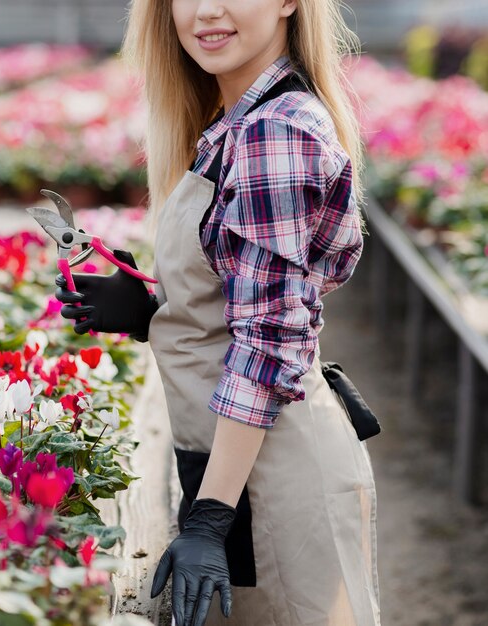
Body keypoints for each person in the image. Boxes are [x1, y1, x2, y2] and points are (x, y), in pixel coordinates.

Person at [55, 0, 381, 624]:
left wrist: (211, 517)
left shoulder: (273, 132)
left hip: (268, 478)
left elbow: (269, 339)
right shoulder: (235, 122)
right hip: (234, 469)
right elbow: (247, 295)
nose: (206, 11)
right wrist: (156, 308)